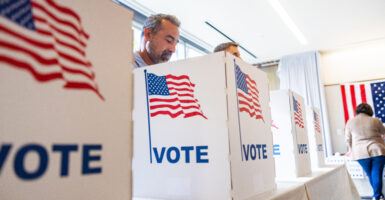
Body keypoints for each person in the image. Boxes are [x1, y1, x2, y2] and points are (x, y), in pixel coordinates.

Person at [345, 103, 385, 200]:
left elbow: (347, 139)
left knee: (370, 174)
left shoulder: (350, 122)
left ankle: (377, 195)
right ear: (370, 111)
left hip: (360, 152)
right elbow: (383, 133)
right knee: (377, 173)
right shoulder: (376, 121)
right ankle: (377, 195)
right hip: (377, 150)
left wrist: (350, 150)